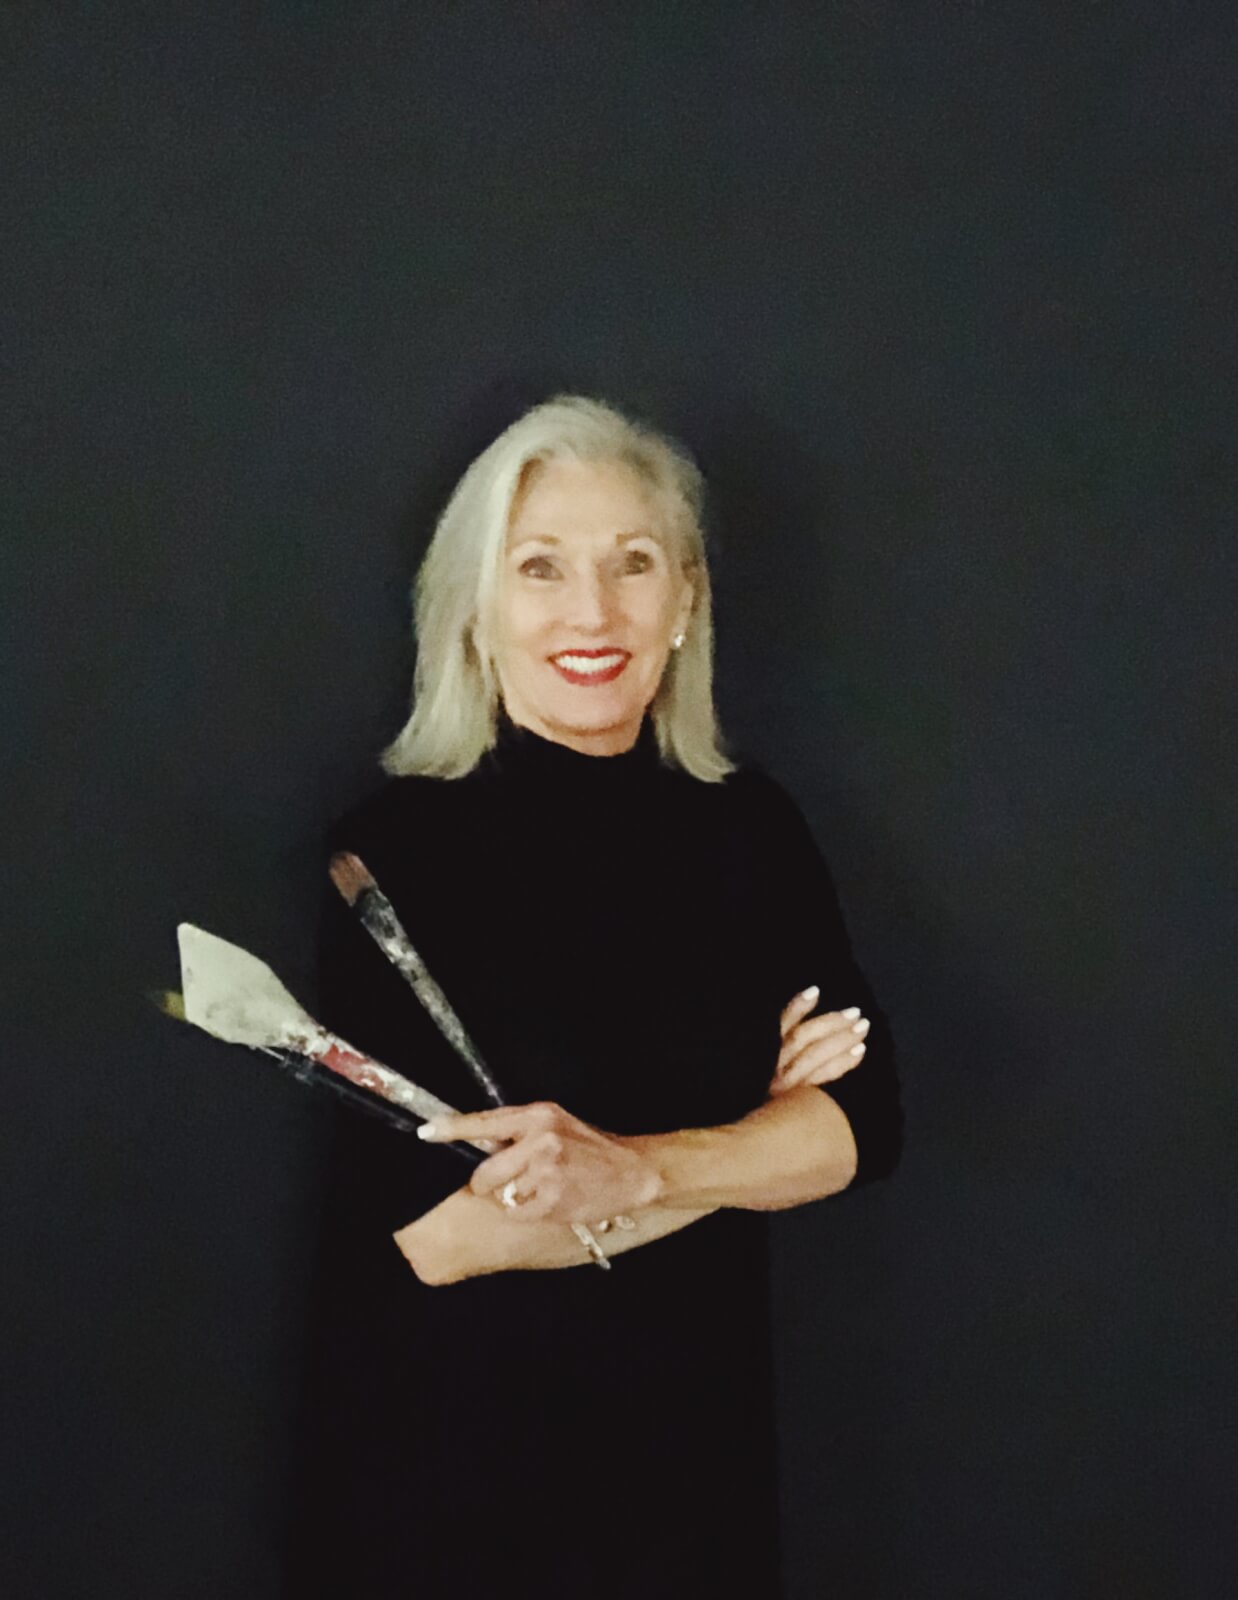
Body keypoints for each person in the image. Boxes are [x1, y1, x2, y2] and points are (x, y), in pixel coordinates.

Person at [284, 395, 902, 1599]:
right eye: (540, 567)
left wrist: (626, 1171)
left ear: (685, 601)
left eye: (632, 564)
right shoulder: (387, 858)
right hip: (450, 1481)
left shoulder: (749, 831)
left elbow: (864, 1128)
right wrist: (738, 1145)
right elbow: (443, 1236)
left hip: (693, 1474)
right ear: (474, 609)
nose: (591, 611)